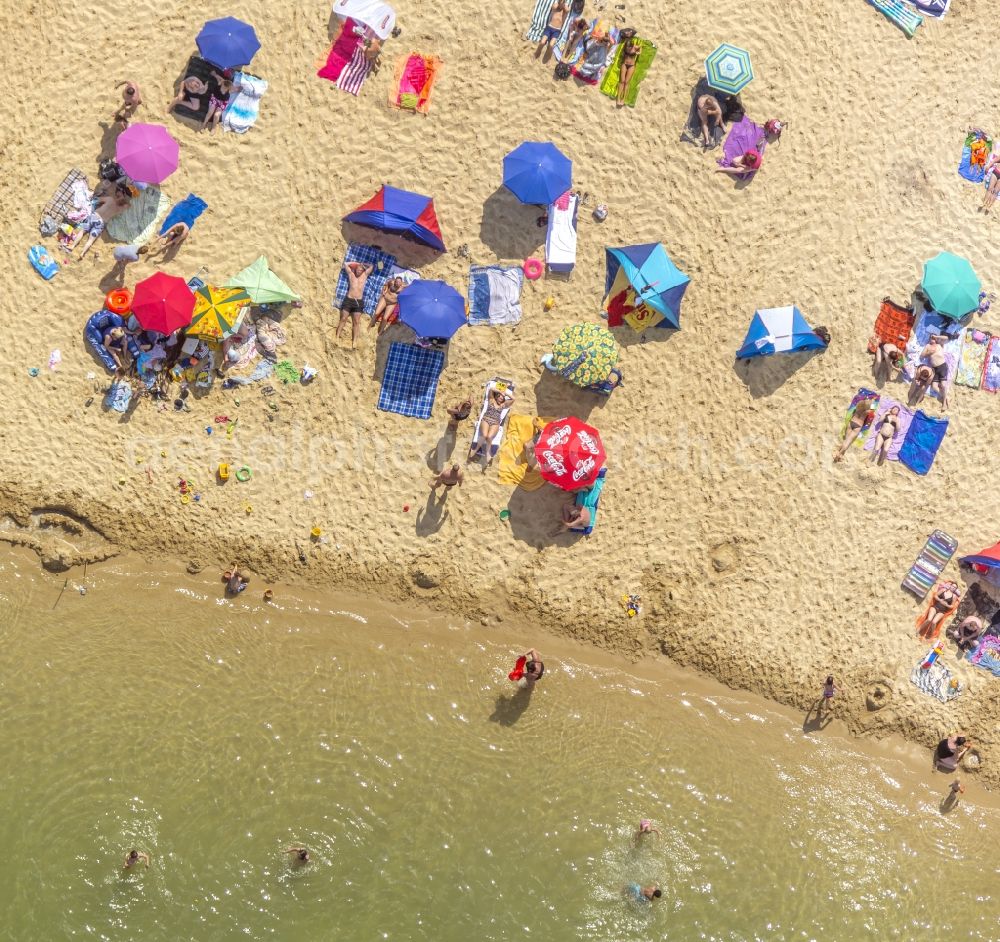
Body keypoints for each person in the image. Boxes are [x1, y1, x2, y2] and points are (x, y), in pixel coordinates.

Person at [468, 386, 514, 462]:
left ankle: (488, 452)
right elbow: (491, 389)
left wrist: (506, 393)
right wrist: (500, 392)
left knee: (489, 437)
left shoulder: (503, 405)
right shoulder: (491, 400)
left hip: (495, 423)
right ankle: (475, 449)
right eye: (500, 397)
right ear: (497, 396)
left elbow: (513, 399)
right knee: (484, 435)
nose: (501, 398)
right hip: (486, 419)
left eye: (503, 398)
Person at [336, 262, 373, 348]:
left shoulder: (365, 275)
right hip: (349, 300)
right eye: (357, 269)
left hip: (358, 302)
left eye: (360, 270)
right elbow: (345, 264)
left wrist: (363, 264)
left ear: (363, 270)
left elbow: (371, 266)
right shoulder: (351, 274)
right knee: (343, 319)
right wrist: (356, 263)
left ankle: (354, 341)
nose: (358, 271)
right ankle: (337, 336)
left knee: (356, 322)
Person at [833, 396, 876, 462]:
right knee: (848, 441)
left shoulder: (857, 407)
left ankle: (840, 453)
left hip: (851, 423)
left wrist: (865, 400)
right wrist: (873, 402)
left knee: (846, 440)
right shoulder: (866, 412)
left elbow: (861, 402)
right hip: (858, 426)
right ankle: (838, 454)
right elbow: (872, 410)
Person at [918, 334, 951, 410]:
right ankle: (947, 397)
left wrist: (936, 337)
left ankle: (944, 404)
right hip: (934, 369)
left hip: (942, 366)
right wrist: (929, 353)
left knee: (942, 385)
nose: (932, 339)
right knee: (934, 386)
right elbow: (922, 355)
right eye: (931, 338)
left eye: (933, 338)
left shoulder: (940, 345)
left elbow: (946, 338)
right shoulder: (927, 346)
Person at [616, 34, 642, 107]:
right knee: (622, 81)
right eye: (627, 47)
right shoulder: (625, 47)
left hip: (631, 65)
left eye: (629, 47)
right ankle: (618, 98)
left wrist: (638, 53)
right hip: (624, 64)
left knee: (627, 82)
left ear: (632, 46)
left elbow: (640, 48)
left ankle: (623, 99)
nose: (628, 49)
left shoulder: (635, 47)